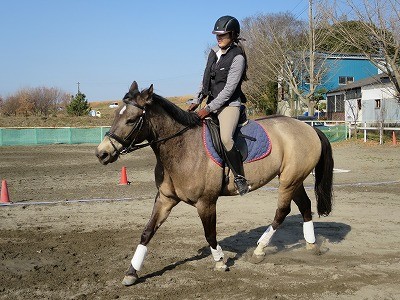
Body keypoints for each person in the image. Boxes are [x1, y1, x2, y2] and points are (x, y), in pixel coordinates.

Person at [188, 15, 249, 195]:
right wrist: (195, 100)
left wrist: (208, 109)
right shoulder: (214, 52)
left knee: (225, 138)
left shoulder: (238, 57)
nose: (219, 38)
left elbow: (229, 89)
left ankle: (240, 177)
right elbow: (205, 80)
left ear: (233, 34)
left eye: (223, 35)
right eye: (217, 35)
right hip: (210, 103)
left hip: (229, 105)